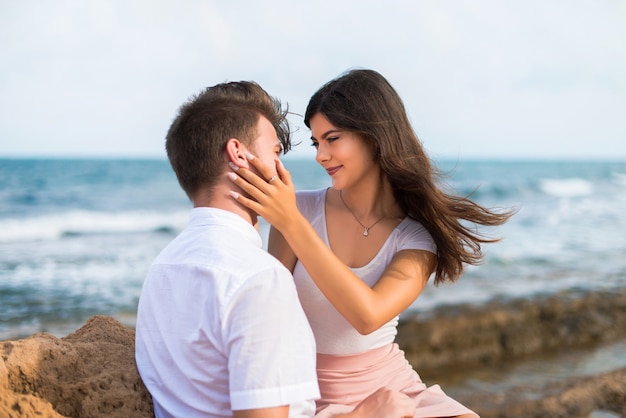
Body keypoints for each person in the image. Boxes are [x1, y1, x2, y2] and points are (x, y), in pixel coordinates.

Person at [228, 69, 516, 418]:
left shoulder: (414, 237)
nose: (320, 155)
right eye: (317, 143)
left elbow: (368, 316)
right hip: (310, 392)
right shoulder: (299, 208)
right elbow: (267, 311)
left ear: (375, 136)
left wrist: (291, 222)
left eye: (332, 139)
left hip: (392, 387)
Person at [135, 80, 417, 418]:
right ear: (238, 154)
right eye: (276, 153)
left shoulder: (162, 269)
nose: (316, 158)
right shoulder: (260, 279)